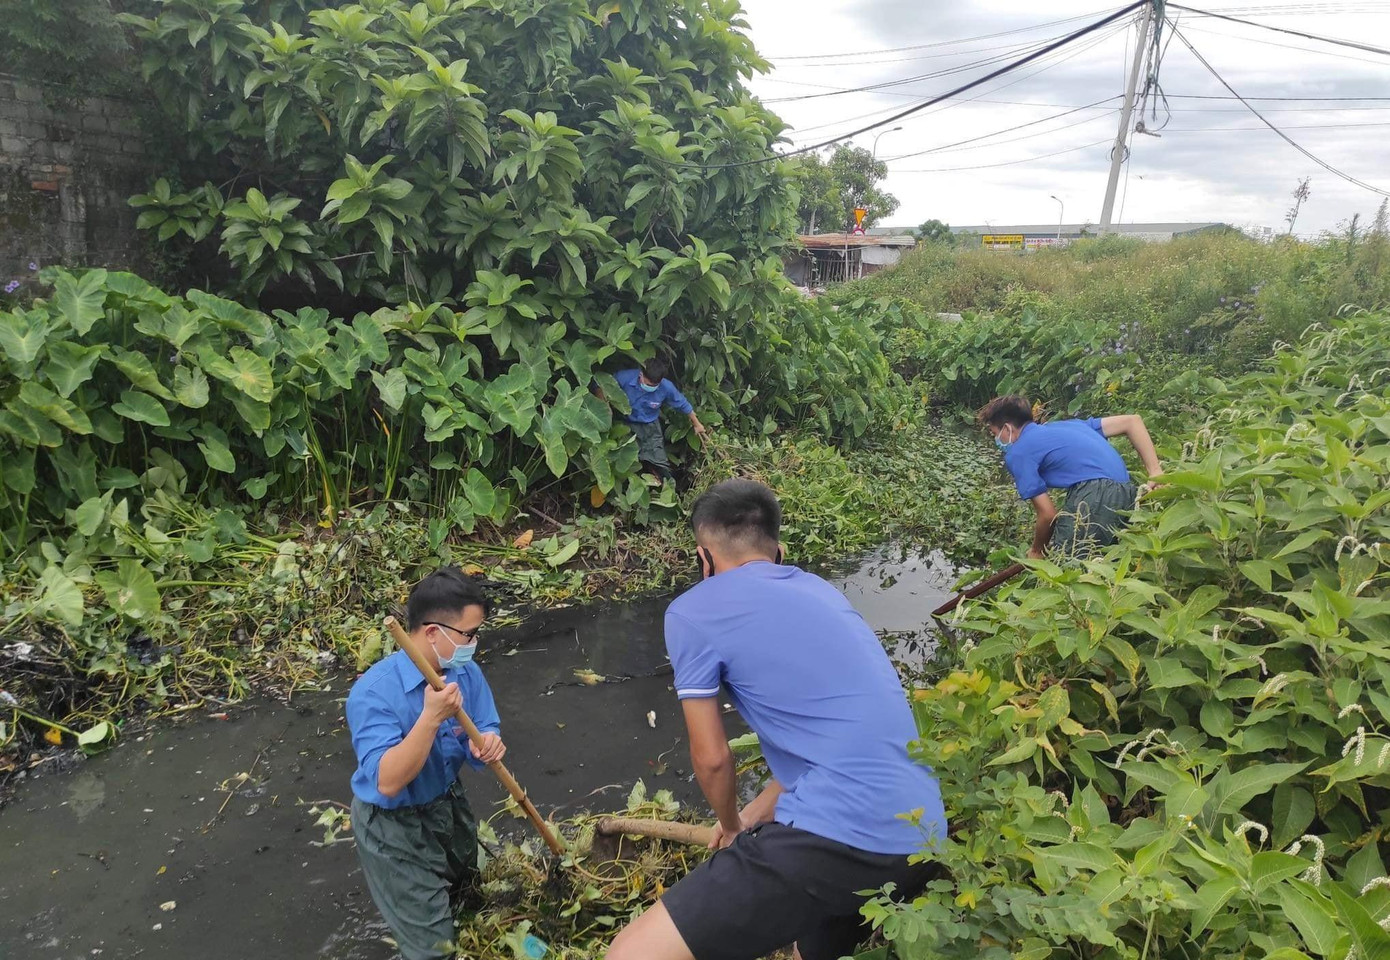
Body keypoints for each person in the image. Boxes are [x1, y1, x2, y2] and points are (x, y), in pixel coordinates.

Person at [606, 479, 945, 960]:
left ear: (704, 559)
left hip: (841, 837)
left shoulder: (692, 612)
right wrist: (747, 819)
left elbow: (713, 760)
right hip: (921, 834)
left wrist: (728, 825)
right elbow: (824, 750)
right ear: (779, 551)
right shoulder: (823, 593)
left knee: (630, 953)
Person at [345, 567, 507, 960]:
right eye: (468, 634)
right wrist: (431, 718)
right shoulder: (372, 694)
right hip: (393, 825)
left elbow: (484, 725)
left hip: (447, 804)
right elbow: (387, 780)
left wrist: (485, 744)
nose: (474, 643)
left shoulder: (464, 671)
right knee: (434, 948)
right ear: (433, 632)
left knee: (469, 898)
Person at [980, 395, 1163, 559]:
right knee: (1106, 564)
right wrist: (1155, 471)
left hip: (1093, 496)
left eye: (995, 434)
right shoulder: (1071, 426)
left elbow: (1047, 514)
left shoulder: (1018, 452)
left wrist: (1037, 551)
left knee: (1067, 570)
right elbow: (1132, 421)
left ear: (1007, 428)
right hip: (1126, 493)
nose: (997, 440)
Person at [612, 358, 708, 481]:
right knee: (627, 460)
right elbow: (600, 384)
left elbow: (683, 404)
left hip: (650, 428)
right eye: (648, 384)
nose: (651, 387)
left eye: (654, 386)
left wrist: (697, 424)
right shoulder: (624, 377)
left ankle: (668, 491)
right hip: (625, 425)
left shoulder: (666, 387)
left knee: (659, 462)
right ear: (641, 375)